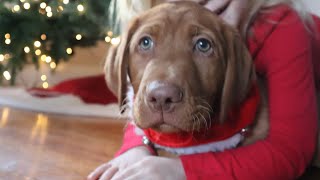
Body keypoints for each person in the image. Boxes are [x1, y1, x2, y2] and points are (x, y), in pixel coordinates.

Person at [87, 0, 320, 179]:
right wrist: (136, 149)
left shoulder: (280, 24)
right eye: (146, 43)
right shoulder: (154, 15)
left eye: (203, 44)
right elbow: (138, 96)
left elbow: (290, 150)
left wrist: (181, 171)